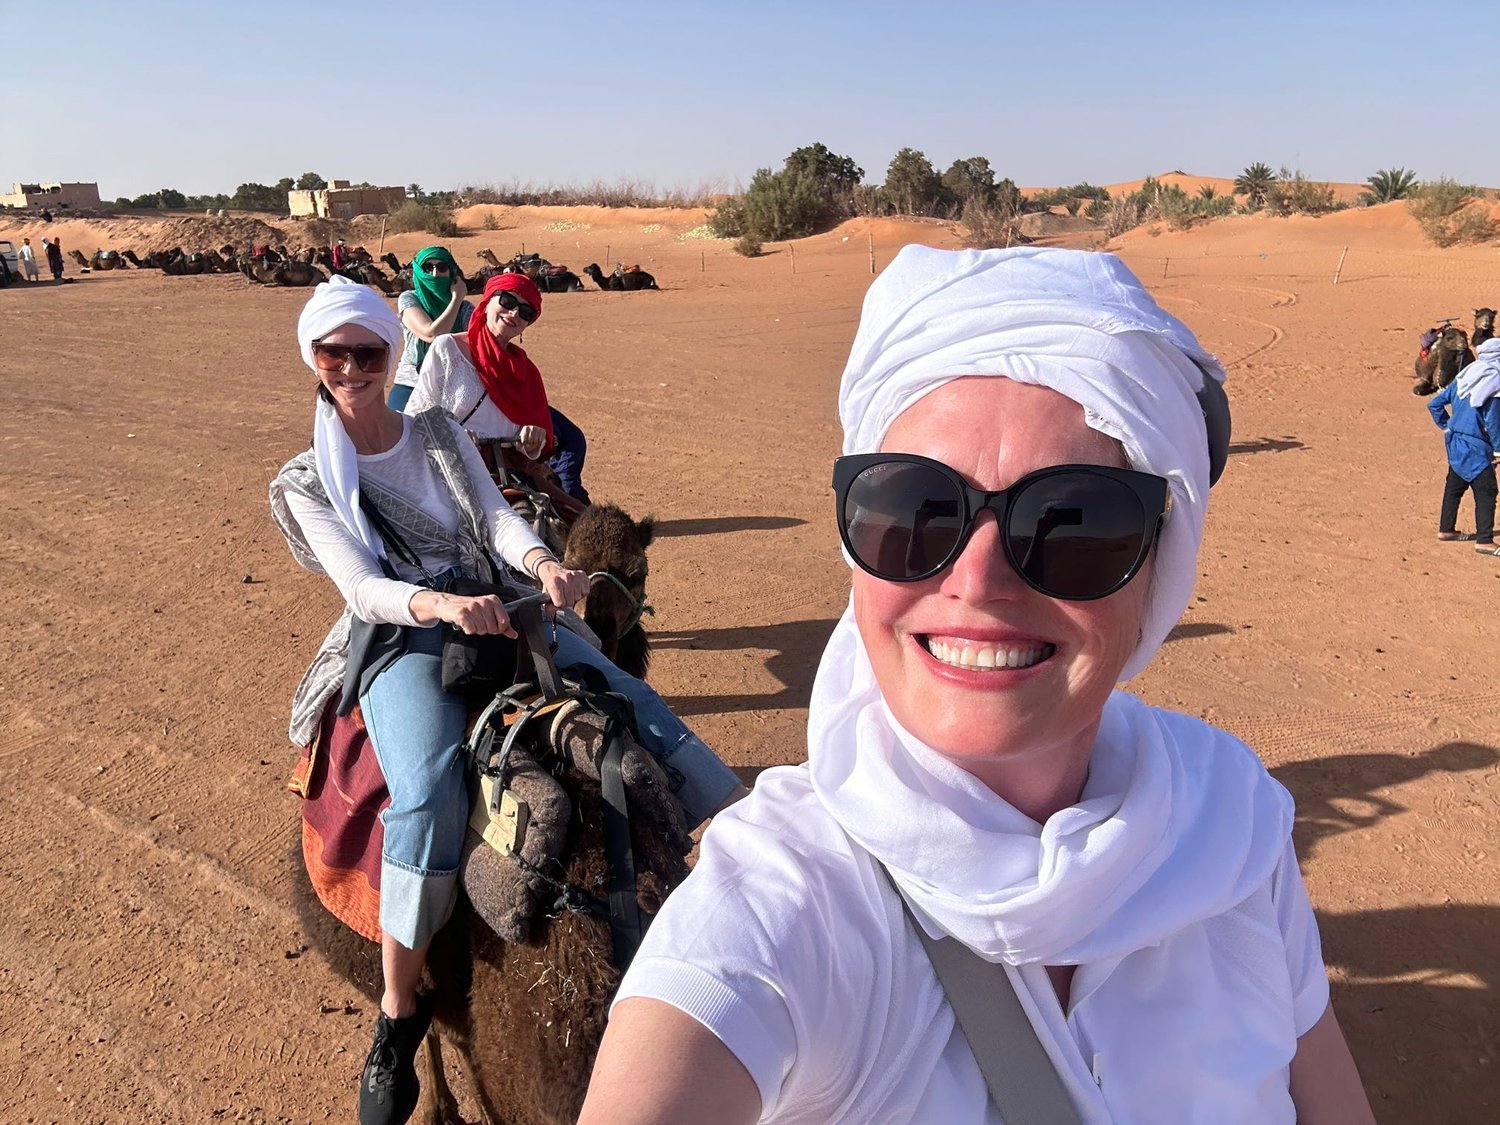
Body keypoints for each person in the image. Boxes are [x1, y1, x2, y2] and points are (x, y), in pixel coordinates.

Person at [580, 246, 1376, 1124]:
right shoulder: (787, 903)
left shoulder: (1234, 831)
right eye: (915, 507)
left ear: (1162, 566)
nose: (979, 579)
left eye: (1074, 521)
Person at [269, 277, 744, 1125]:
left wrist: (541, 566)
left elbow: (495, 520)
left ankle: (756, 884)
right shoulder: (308, 480)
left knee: (649, 715)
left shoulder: (438, 433)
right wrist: (441, 605)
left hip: (502, 605)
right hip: (407, 637)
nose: (352, 367)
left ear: (388, 355)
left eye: (368, 352)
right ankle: (397, 1010)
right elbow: (360, 583)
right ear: (315, 357)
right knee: (424, 793)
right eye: (334, 353)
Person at [406, 272, 591, 519]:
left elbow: (532, 446)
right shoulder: (447, 348)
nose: (514, 313)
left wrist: (531, 443)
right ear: (487, 302)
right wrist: (451, 434)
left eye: (526, 312)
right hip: (450, 465)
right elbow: (417, 416)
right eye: (507, 301)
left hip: (511, 472)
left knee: (585, 524)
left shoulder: (527, 372)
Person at [1429, 336, 1500, 553]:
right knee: (1487, 491)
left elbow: (1435, 404)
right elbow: (1492, 420)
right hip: (1477, 446)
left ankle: (1446, 529)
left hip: (1456, 443)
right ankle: (1485, 541)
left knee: (1455, 485)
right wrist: (1498, 449)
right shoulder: (1493, 382)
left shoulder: (1465, 375)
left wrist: (1447, 426)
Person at [388, 245, 473, 412]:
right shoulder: (410, 299)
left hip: (451, 389)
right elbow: (432, 334)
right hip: (411, 384)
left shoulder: (465, 310)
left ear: (452, 272)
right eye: (428, 268)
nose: (435, 274)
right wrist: (456, 299)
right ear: (418, 271)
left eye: (442, 268)